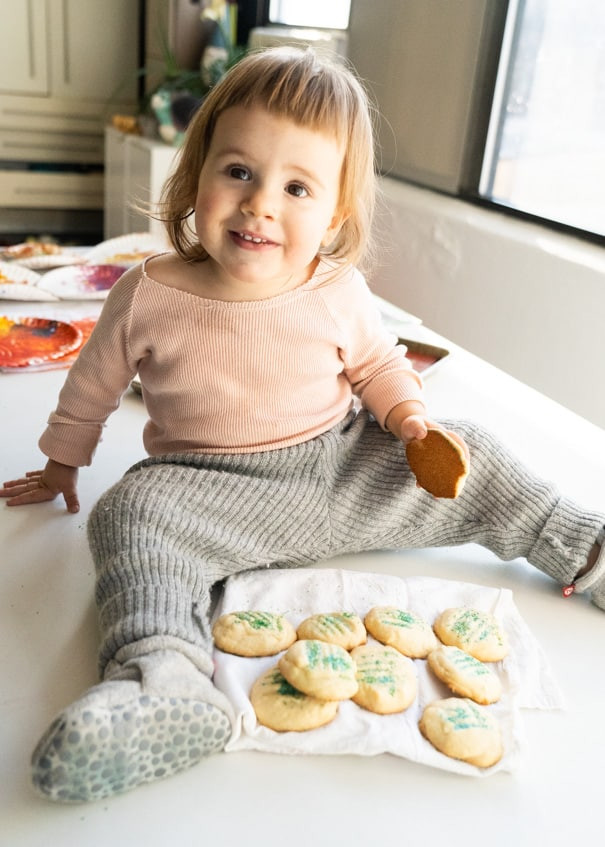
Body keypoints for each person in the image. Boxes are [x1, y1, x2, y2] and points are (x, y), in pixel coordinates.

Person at [1, 47, 604, 805]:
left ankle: (587, 544)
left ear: (334, 214)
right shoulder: (147, 293)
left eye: (295, 187)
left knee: (474, 449)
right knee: (128, 513)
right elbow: (91, 388)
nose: (260, 205)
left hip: (340, 467)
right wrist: (63, 463)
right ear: (195, 175)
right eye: (238, 172)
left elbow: (379, 365)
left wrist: (407, 417)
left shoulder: (336, 289)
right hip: (206, 493)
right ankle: (165, 681)